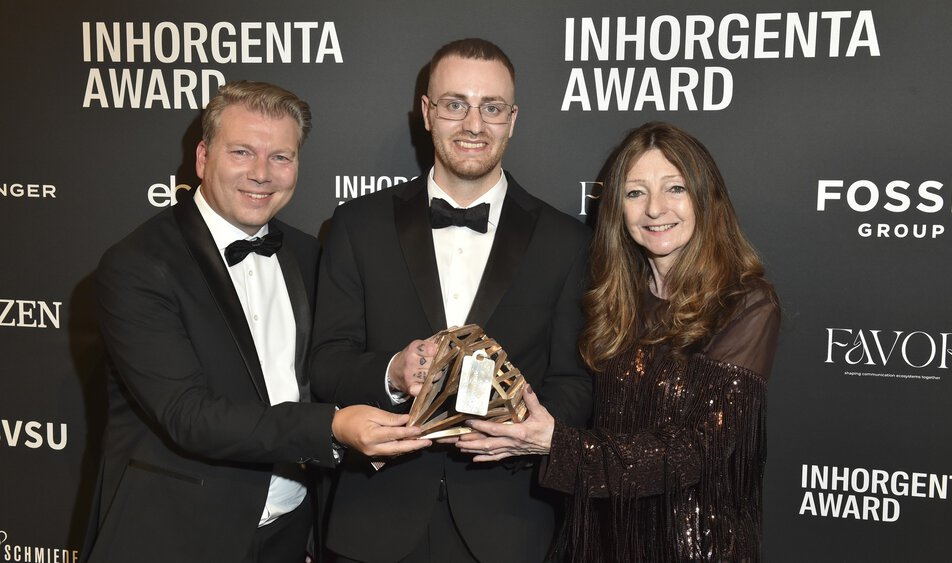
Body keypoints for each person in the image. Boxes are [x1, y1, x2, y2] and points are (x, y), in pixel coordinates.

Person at [84, 80, 430, 563]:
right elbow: (189, 415)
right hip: (176, 535)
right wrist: (331, 427)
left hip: (289, 534)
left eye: (281, 157)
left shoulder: (308, 254)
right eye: (242, 152)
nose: (261, 173)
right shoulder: (139, 265)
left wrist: (392, 372)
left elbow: (326, 369)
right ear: (203, 158)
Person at [309, 39, 593, 563]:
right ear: (427, 113)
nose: (473, 124)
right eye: (455, 104)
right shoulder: (357, 225)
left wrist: (530, 430)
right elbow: (326, 365)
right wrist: (393, 373)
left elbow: (574, 383)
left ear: (512, 119)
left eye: (492, 108)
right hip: (373, 522)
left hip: (509, 524)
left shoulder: (565, 241)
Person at [461, 122, 781, 561]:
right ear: (617, 209)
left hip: (689, 548)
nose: (655, 209)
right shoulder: (612, 295)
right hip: (597, 539)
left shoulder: (744, 303)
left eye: (675, 188)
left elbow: (697, 450)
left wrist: (557, 444)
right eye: (635, 193)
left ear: (707, 199)